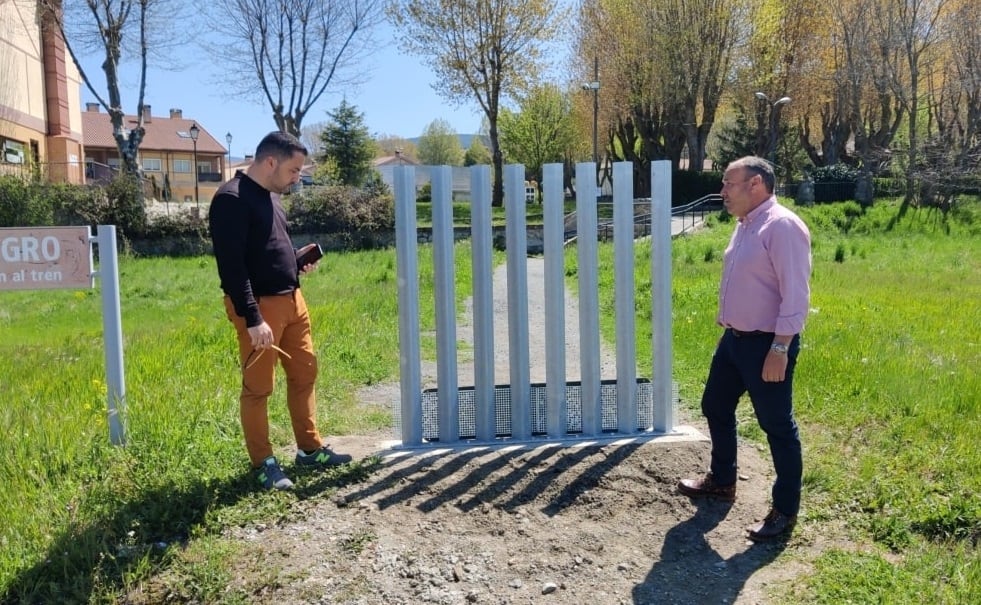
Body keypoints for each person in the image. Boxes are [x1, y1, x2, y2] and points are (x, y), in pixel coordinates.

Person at [678, 156, 811, 541]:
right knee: (715, 405)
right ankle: (722, 481)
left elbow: (796, 295)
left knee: (777, 427)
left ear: (756, 184)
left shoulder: (782, 226)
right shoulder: (745, 225)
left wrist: (781, 348)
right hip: (735, 341)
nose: (722, 192)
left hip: (768, 344)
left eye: (728, 184)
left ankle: (784, 511)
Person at [209, 131, 351, 491]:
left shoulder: (271, 198)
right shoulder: (231, 199)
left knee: (305, 374)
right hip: (260, 308)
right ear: (270, 161)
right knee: (259, 388)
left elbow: (270, 247)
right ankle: (263, 463)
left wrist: (295, 260)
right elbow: (232, 268)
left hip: (292, 300)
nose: (297, 177)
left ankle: (309, 449)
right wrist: (253, 318)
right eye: (293, 169)